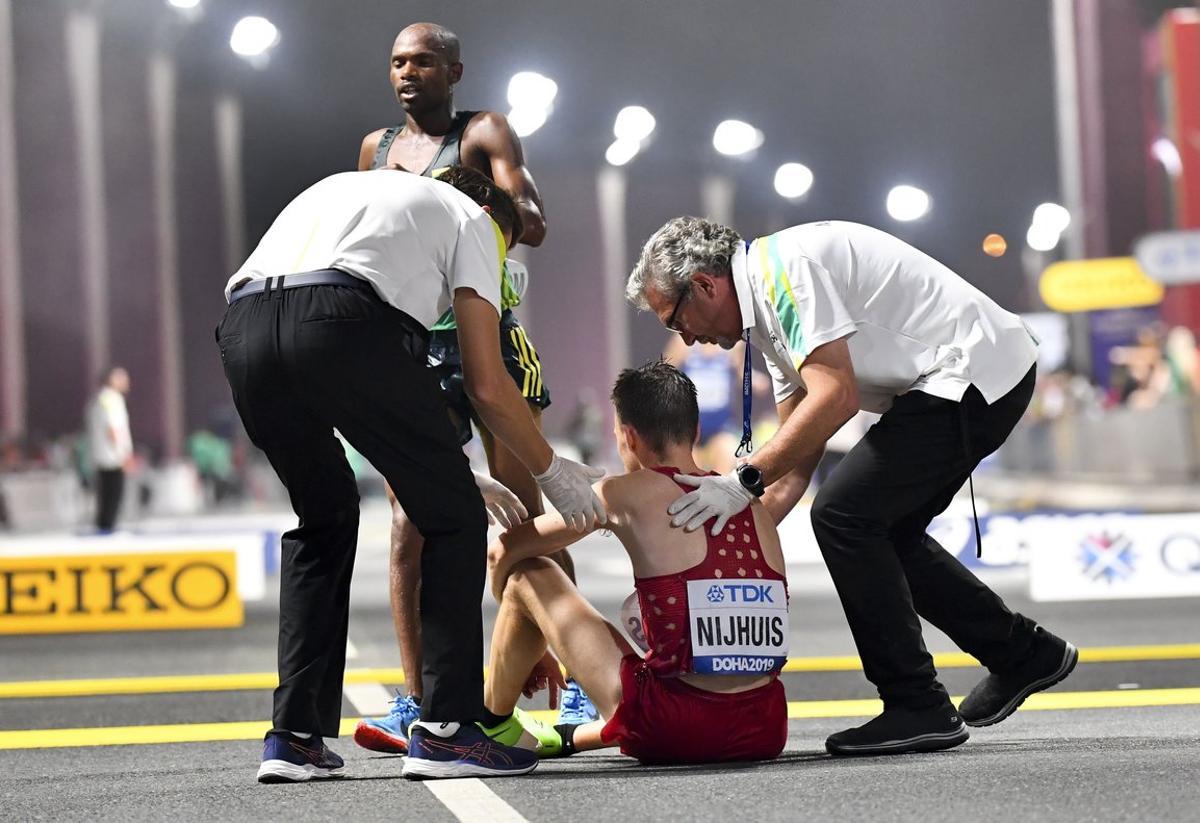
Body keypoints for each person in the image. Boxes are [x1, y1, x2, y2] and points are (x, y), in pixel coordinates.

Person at [626, 217, 1077, 756]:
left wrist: (741, 482)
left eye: (676, 320)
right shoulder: (767, 318)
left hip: (974, 373)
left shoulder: (784, 274)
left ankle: (916, 702)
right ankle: (1022, 654)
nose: (687, 339)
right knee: (879, 527)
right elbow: (795, 462)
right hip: (958, 381)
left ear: (704, 284)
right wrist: (718, 550)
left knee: (844, 515)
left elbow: (835, 397)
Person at [217, 164, 606, 782]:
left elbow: (332, 354)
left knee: (323, 519)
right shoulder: (477, 222)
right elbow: (485, 383)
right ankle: (449, 729)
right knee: (452, 518)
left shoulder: (353, 193)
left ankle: (293, 740)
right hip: (343, 318)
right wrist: (551, 469)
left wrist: (439, 464)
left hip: (244, 329)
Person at [351, 23, 599, 751]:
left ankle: (579, 678)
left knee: (525, 512)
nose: (407, 73)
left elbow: (537, 226)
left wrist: (478, 195)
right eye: (397, 61)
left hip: (487, 334)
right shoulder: (374, 150)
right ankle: (419, 697)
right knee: (408, 526)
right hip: (411, 347)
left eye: (423, 62)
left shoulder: (485, 130)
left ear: (453, 71)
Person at [480, 361, 789, 764]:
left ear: (628, 436)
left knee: (528, 575)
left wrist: (528, 635)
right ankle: (578, 734)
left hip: (675, 728)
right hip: (766, 728)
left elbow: (502, 551)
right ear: (694, 432)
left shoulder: (624, 492)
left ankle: (487, 724)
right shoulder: (750, 505)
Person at [86, 367, 133, 533]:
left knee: (105, 495)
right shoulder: (112, 399)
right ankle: (108, 529)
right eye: (122, 378)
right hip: (113, 457)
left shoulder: (98, 398)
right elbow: (113, 429)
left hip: (101, 455)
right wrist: (123, 454)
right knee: (113, 496)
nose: (127, 381)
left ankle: (103, 527)